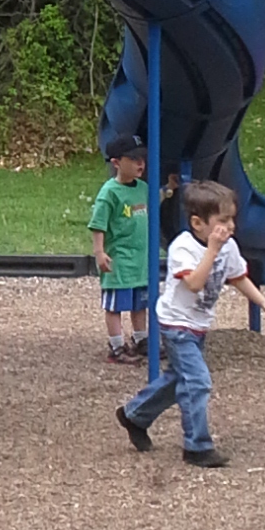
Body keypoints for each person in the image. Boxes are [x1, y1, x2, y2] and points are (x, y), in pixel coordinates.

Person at [118, 178, 265, 467]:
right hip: (176, 324)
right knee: (197, 381)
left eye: (232, 219)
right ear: (197, 223)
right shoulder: (183, 248)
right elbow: (194, 283)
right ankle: (197, 446)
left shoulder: (228, 247)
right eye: (223, 220)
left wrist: (262, 302)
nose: (230, 227)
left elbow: (238, 277)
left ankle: (134, 415)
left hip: (198, 325)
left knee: (177, 379)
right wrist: (212, 251)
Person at [87, 138, 150, 363]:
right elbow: (98, 225)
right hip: (119, 260)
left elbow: (154, 201)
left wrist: (169, 190)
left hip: (140, 260)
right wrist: (99, 252)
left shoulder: (143, 188)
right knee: (116, 305)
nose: (140, 163)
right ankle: (116, 346)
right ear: (116, 163)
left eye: (142, 158)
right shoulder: (109, 193)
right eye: (133, 159)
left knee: (140, 303)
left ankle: (141, 339)